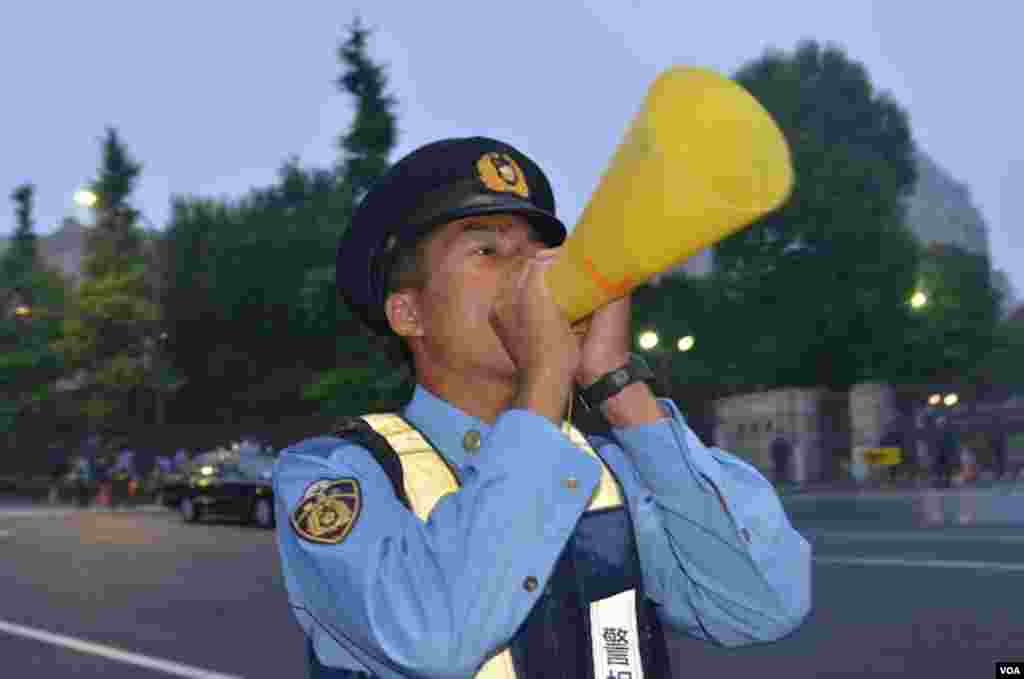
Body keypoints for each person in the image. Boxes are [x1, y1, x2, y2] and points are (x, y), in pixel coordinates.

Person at [273, 137, 812, 678]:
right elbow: (432, 636)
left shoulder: (606, 470)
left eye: (538, 255)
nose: (533, 277)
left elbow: (763, 606)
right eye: (488, 251)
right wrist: (545, 374)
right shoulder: (335, 473)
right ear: (408, 313)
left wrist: (616, 382)